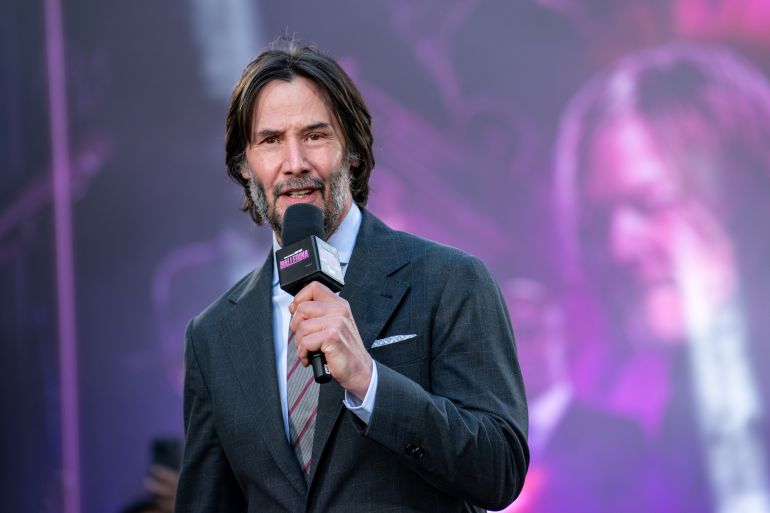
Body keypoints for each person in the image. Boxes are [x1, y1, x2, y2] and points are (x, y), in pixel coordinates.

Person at [174, 38, 529, 513]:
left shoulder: (450, 281)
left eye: (315, 136)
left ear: (354, 153)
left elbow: (499, 469)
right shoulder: (214, 335)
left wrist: (368, 382)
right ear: (244, 167)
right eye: (271, 140)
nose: (294, 163)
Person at [554, 43, 770, 513]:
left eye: (652, 203)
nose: (618, 247)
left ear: (744, 190)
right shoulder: (672, 418)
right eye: (597, 223)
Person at [501, 278, 646, 513]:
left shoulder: (619, 437)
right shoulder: (482, 444)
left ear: (561, 336)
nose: (515, 348)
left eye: (527, 331)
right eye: (503, 339)